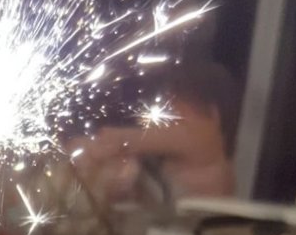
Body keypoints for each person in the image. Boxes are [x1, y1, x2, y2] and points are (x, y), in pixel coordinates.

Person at [71, 60, 240, 205]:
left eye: (177, 105)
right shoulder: (182, 149)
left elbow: (127, 139)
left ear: (213, 113)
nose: (168, 112)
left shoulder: (202, 140)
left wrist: (99, 144)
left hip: (199, 229)